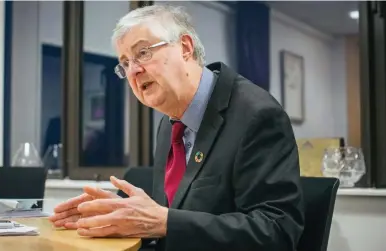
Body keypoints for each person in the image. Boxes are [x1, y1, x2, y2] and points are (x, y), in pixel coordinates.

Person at [49, 4, 305, 251]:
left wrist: (162, 221)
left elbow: (277, 231)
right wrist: (123, 215)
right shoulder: (170, 123)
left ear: (185, 47)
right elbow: (170, 220)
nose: (134, 71)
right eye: (125, 63)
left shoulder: (256, 114)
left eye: (143, 53)